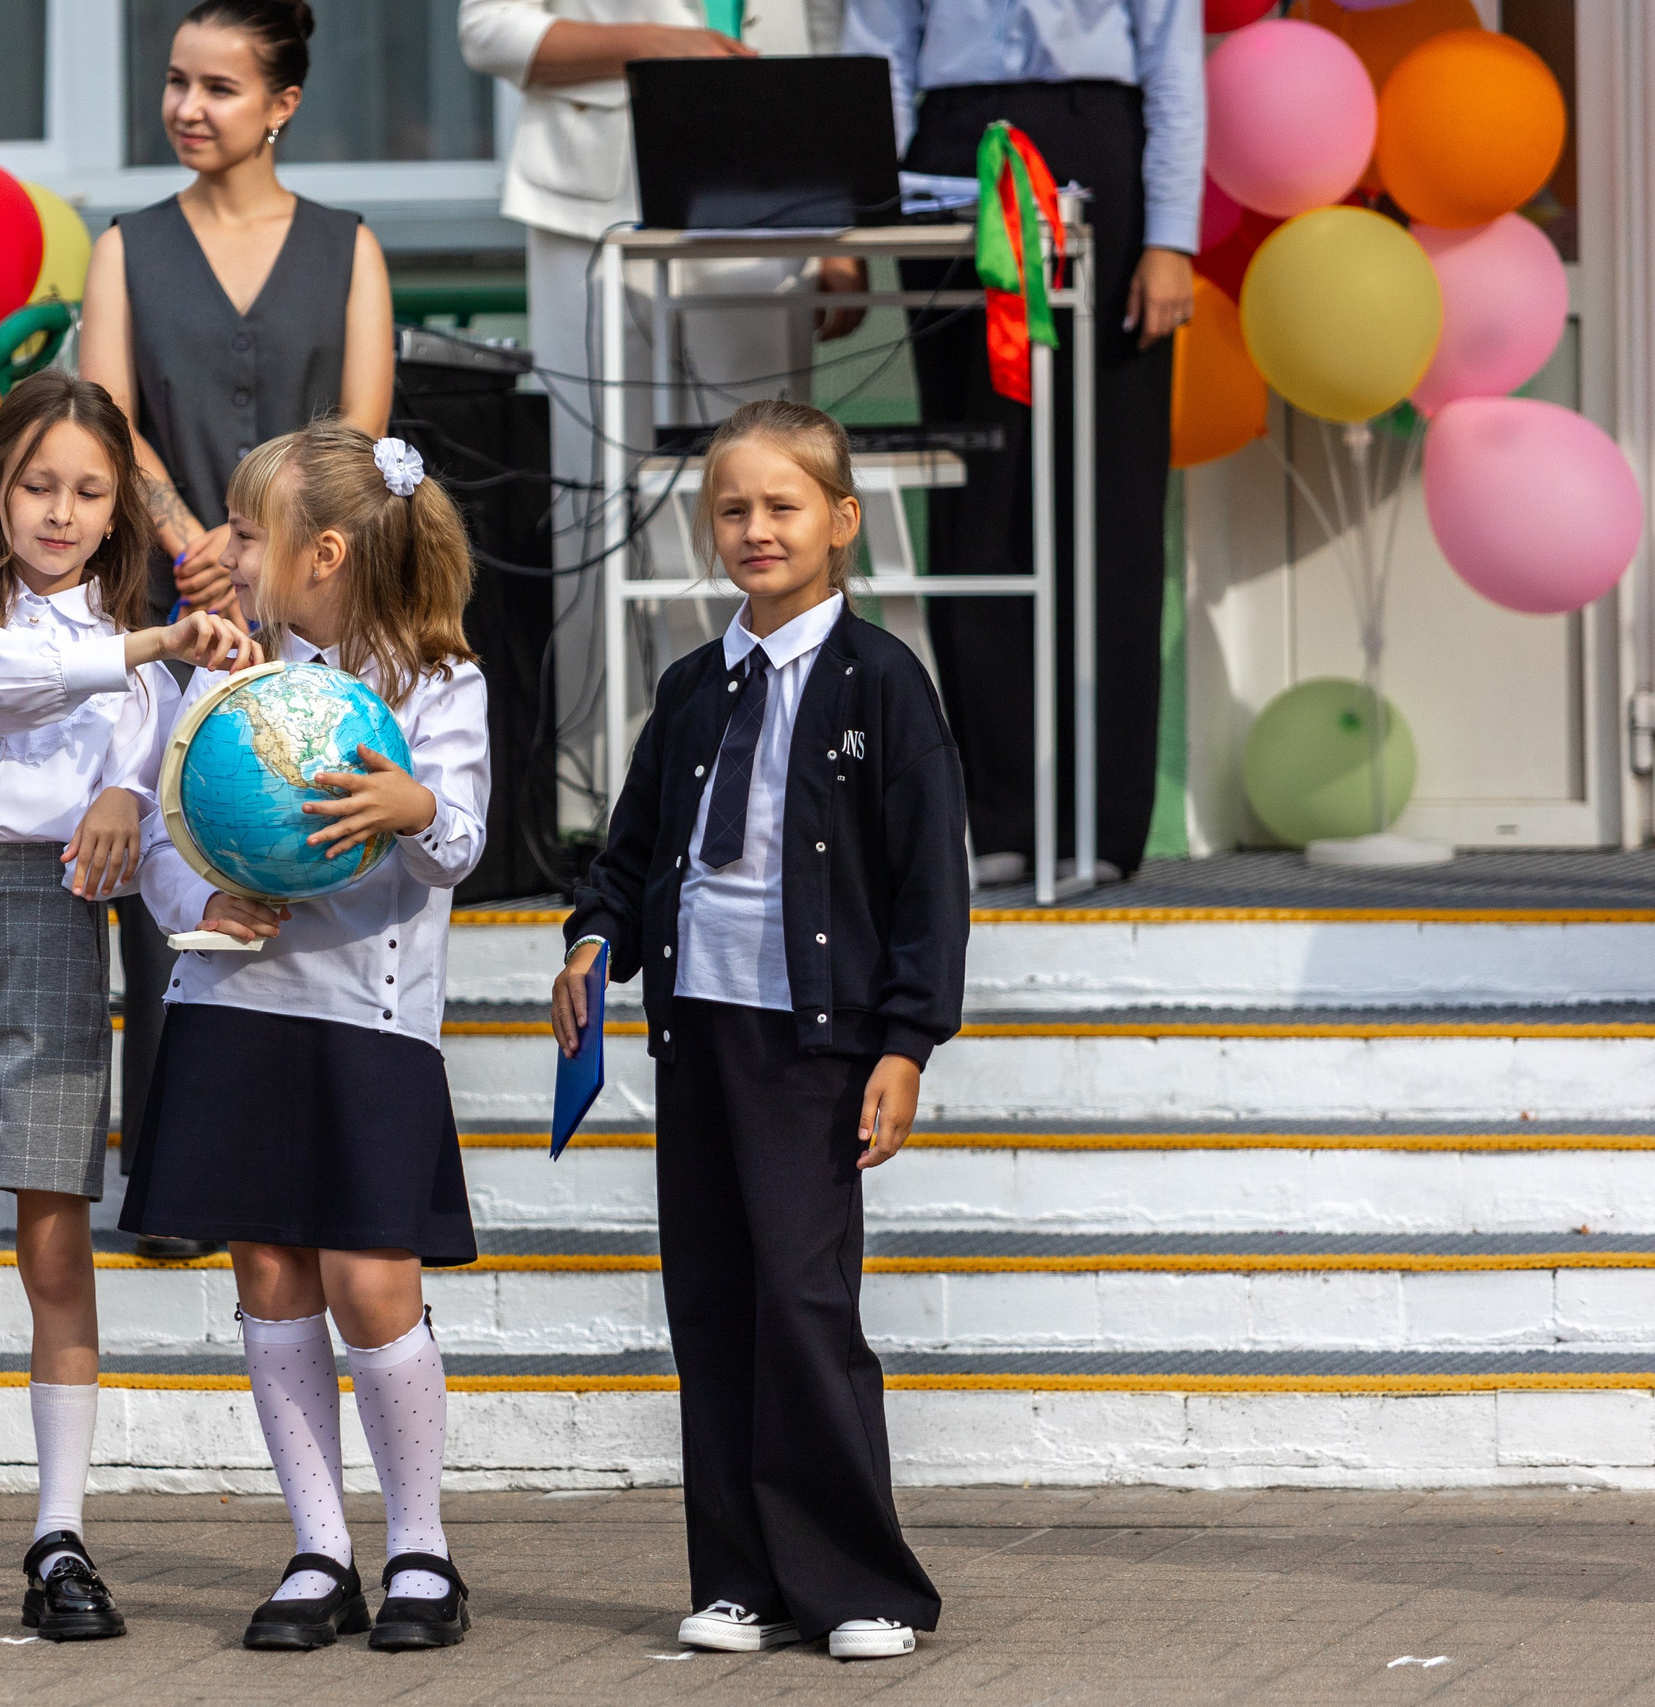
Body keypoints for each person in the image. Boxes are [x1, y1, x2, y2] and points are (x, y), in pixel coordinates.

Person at [0, 372, 263, 1649]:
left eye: (90, 493)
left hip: (57, 931)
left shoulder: (146, 674)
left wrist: (143, 807)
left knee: (51, 1247)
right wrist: (147, 649)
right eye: (38, 486)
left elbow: (162, 805)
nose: (62, 512)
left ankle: (57, 1534)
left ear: (116, 512)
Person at [556, 400, 963, 1658]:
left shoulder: (883, 684)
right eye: (731, 508)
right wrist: (591, 941)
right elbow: (628, 860)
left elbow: (928, 886)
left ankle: (862, 1588)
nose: (755, 529)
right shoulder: (690, 688)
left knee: (800, 1302)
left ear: (842, 523)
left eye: (783, 506)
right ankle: (742, 1577)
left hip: (816, 1043)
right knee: (715, 1302)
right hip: (703, 1033)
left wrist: (904, 1043)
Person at [120, 421, 491, 1653]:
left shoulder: (435, 680)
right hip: (236, 1009)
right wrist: (199, 901)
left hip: (366, 1023)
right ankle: (317, 1549)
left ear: (321, 550)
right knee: (268, 1275)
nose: (221, 549)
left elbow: (460, 843)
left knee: (370, 1281)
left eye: (243, 528)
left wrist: (414, 803)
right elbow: (169, 835)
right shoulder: (220, 675)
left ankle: (422, 1550)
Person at [78, 0, 395, 1255]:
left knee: (316, 858)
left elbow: (363, 434)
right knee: (182, 870)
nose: (187, 107)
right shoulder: (128, 245)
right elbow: (104, 413)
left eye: (217, 86)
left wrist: (273, 555)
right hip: (179, 605)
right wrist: (188, 543)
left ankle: (317, 1164)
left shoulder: (348, 245)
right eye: (174, 82)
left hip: (323, 600)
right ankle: (176, 1186)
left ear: (283, 104)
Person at [457, 0, 866, 824]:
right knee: (594, 494)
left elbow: (830, 38)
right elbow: (488, 31)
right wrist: (659, 47)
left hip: (770, 197)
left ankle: (779, 773)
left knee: (772, 493)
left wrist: (840, 220)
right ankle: (596, 794)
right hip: (589, 204)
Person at [844, 0, 1203, 884]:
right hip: (953, 151)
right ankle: (998, 812)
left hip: (1096, 145)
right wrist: (852, 226)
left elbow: (1172, 66)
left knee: (1108, 493)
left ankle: (1102, 822)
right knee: (980, 489)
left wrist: (1170, 236)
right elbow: (880, 59)